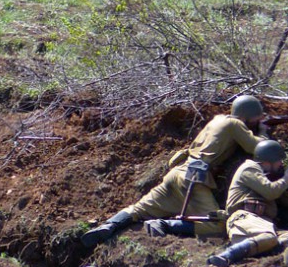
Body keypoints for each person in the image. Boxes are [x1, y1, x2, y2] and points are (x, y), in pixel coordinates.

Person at [81, 94, 267, 246]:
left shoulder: (218, 119)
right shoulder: (236, 124)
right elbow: (257, 148)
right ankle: (165, 224)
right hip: (193, 180)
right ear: (247, 116)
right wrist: (263, 131)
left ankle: (110, 225)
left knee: (139, 208)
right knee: (216, 225)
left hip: (178, 173)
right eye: (255, 119)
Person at [207, 140, 288, 267]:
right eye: (279, 160)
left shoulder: (267, 178)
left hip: (262, 225)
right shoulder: (249, 168)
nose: (281, 164)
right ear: (268, 160)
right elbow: (271, 192)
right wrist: (286, 179)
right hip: (244, 220)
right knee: (269, 236)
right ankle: (226, 255)